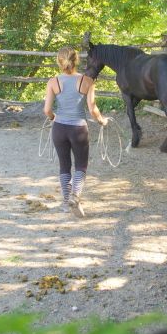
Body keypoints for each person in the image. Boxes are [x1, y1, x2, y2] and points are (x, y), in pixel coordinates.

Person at [44, 47, 107, 215]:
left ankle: (66, 203)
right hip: (78, 128)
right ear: (76, 60)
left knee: (64, 166)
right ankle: (75, 196)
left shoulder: (53, 82)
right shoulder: (87, 81)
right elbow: (93, 110)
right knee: (81, 165)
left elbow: (47, 110)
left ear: (59, 61)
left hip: (59, 128)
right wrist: (102, 121)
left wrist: (53, 118)